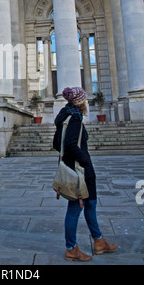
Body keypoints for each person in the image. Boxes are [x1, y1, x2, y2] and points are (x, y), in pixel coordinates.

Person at [53, 87, 118, 262]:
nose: (87, 101)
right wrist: (85, 160)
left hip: (78, 169)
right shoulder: (74, 118)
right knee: (75, 209)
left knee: (91, 204)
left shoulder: (65, 117)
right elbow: (70, 144)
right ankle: (71, 249)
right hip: (80, 171)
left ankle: (99, 241)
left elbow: (56, 143)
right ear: (80, 101)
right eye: (85, 99)